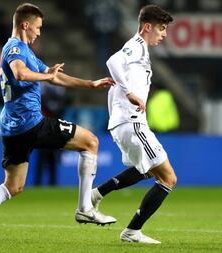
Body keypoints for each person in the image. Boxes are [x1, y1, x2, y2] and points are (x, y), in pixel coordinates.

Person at [0, 3, 116, 242]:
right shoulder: (14, 49)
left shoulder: (26, 50)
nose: (39, 32)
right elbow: (20, 74)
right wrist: (46, 76)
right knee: (91, 142)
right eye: (38, 27)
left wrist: (90, 83)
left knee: (12, 187)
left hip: (13, 128)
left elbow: (54, 76)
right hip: (30, 123)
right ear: (25, 25)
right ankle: (85, 209)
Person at [92, 5, 176, 244]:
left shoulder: (141, 49)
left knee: (146, 170)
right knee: (168, 178)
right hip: (132, 122)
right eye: (161, 28)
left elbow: (116, 82)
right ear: (147, 26)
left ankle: (97, 194)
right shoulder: (136, 45)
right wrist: (129, 93)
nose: (164, 34)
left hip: (125, 123)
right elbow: (112, 61)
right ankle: (132, 232)